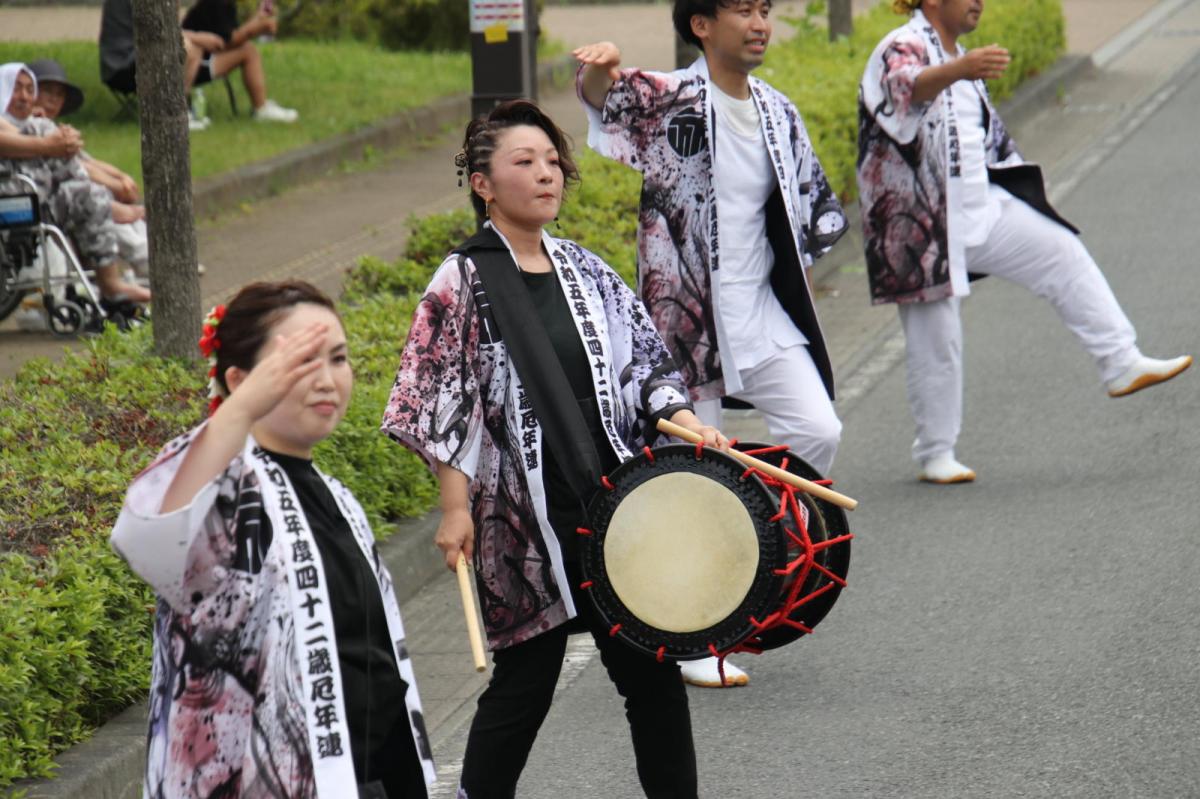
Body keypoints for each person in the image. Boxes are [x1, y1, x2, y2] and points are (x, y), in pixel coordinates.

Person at [382, 99, 726, 798]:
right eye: (524, 162)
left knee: (651, 679)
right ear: (483, 183)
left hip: (611, 510)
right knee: (524, 685)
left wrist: (687, 420)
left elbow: (647, 367)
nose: (546, 175)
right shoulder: (463, 279)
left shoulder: (584, 269)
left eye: (552, 162)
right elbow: (443, 396)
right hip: (522, 521)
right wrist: (455, 508)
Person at [574, 0, 847, 688]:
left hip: (760, 311)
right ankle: (692, 634)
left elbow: (815, 204)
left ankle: (745, 567)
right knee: (687, 471)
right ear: (701, 25)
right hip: (685, 319)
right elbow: (606, 103)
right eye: (742, 10)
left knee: (817, 430)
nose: (759, 23)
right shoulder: (669, 100)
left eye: (765, 10)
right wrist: (599, 74)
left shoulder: (779, 111)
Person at [110, 280, 435, 798]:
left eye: (337, 358)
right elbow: (144, 536)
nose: (326, 380)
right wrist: (238, 412)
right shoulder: (223, 489)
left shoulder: (338, 497)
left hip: (362, 775)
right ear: (240, 380)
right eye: (300, 363)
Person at [857, 0, 1192, 484]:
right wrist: (958, 70)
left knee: (1061, 251)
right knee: (938, 341)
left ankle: (1120, 361)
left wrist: (964, 72)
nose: (978, 2)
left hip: (981, 209)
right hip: (921, 227)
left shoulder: (961, 57)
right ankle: (935, 453)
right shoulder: (902, 45)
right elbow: (903, 88)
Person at [0, 63, 149, 304]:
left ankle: (111, 283)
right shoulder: (25, 125)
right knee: (93, 197)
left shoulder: (29, 124)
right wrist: (48, 142)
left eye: (30, 89)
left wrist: (55, 139)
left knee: (93, 195)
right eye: (16, 88)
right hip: (15, 202)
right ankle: (112, 282)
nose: (24, 96)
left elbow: (84, 160)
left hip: (36, 196)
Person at [99, 0, 298, 131]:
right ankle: (175, 114)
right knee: (187, 47)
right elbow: (155, 34)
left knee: (248, 51)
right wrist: (198, 37)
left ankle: (261, 109)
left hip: (151, 58)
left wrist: (255, 23)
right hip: (124, 66)